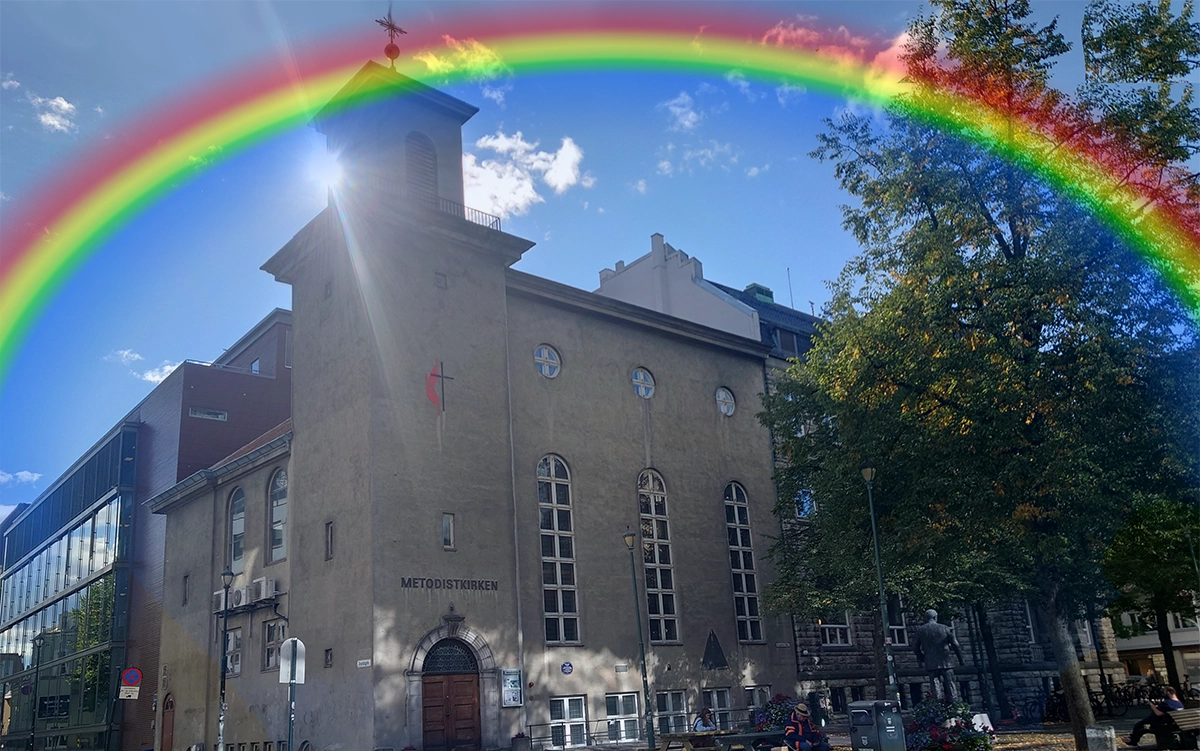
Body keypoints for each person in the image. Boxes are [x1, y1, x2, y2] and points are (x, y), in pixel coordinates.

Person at [912, 609, 965, 701]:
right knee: (950, 684)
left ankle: (938, 706)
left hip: (931, 662)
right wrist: (961, 660)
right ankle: (955, 706)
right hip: (946, 661)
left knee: (935, 684)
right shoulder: (944, 628)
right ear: (935, 617)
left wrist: (922, 658)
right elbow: (955, 645)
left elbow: (915, 648)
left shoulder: (921, 630)